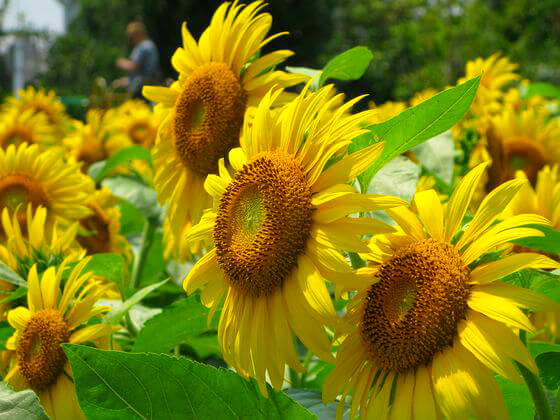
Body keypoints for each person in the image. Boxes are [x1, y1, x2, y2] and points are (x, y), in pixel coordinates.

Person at [114, 21, 160, 99]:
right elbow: (143, 71)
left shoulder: (143, 46)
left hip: (141, 89)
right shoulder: (150, 45)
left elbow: (134, 66)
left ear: (138, 34)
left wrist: (121, 62)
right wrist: (125, 81)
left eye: (132, 37)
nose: (132, 40)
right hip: (149, 85)